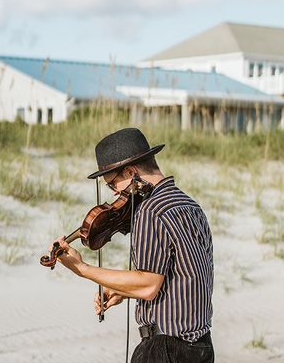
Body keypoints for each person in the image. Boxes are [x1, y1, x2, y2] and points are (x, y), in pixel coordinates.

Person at [50, 127, 214, 363]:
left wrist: (82, 269)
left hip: (165, 349)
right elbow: (183, 278)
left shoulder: (150, 210)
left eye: (113, 184)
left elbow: (148, 286)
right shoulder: (189, 205)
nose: (115, 194)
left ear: (131, 172)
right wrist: (123, 291)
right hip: (201, 348)